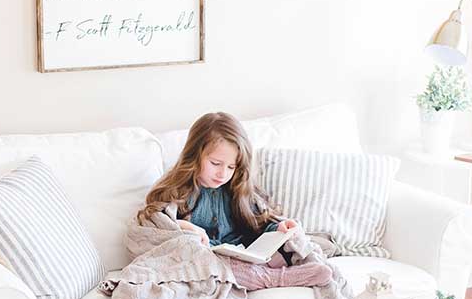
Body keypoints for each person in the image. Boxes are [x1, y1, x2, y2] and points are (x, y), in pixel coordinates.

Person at [138, 112, 332, 289]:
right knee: (212, 266)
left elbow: (258, 223)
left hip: (243, 252)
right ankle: (275, 278)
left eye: (231, 167)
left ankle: (273, 271)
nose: (223, 173)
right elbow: (156, 228)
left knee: (286, 246)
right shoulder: (177, 189)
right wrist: (186, 227)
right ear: (194, 155)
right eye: (215, 164)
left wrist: (279, 229)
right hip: (208, 258)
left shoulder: (236, 189)